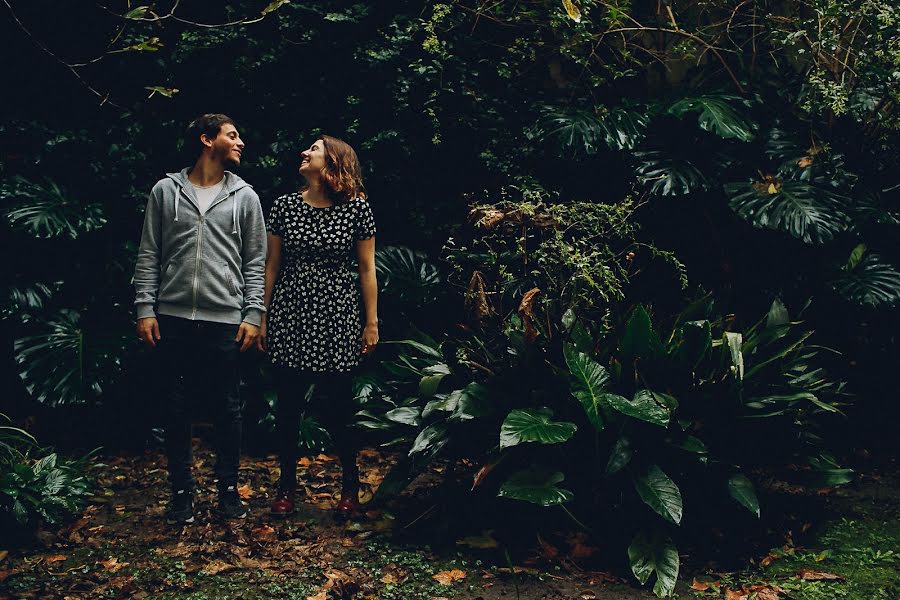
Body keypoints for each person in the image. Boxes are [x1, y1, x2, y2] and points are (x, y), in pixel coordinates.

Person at [134, 113, 266, 525]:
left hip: (225, 319)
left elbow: (255, 261)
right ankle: (181, 494)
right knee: (175, 408)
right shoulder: (164, 191)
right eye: (233, 134)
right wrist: (144, 308)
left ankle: (228, 491)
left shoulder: (245, 196)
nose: (240, 141)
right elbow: (149, 253)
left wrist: (253, 313)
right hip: (171, 316)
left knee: (228, 408)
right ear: (207, 140)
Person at [258, 135, 378, 517]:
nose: (304, 151)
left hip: (338, 315)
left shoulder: (357, 210)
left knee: (339, 407)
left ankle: (349, 487)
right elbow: (271, 265)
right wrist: (261, 315)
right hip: (291, 314)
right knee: (290, 408)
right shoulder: (284, 207)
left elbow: (366, 268)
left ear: (333, 162)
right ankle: (286, 488)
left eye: (313, 148)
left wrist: (371, 322)